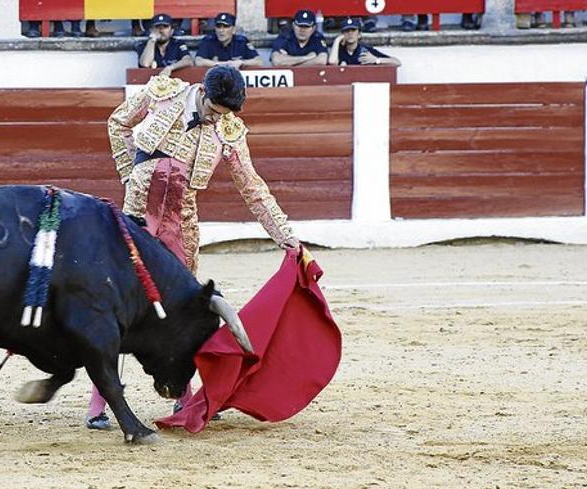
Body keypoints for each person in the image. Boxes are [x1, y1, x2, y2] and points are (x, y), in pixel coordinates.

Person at [84, 66, 301, 429]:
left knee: (183, 312)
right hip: (138, 216)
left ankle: (183, 400)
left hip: (180, 224)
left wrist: (285, 235)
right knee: (120, 304)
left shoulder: (228, 131)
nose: (217, 119)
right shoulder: (163, 93)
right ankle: (100, 402)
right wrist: (129, 175)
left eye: (224, 114)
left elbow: (253, 188)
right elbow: (117, 123)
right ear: (201, 91)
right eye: (214, 110)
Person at [195, 13, 262, 68]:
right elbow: (198, 61)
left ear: (233, 30)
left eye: (226, 27)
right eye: (218, 27)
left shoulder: (241, 42)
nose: (221, 30)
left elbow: (258, 61)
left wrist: (241, 62)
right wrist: (220, 64)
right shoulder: (208, 40)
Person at [329, 18, 401, 67]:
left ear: (359, 35)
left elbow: (397, 62)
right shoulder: (339, 49)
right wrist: (337, 40)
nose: (350, 34)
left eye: (353, 30)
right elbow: (332, 62)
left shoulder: (364, 49)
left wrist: (376, 60)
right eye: (347, 31)